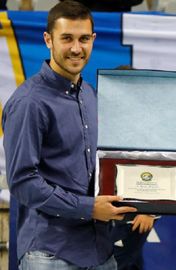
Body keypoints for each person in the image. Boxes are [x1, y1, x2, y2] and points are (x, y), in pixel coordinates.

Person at [2, 1, 139, 269]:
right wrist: (87, 208)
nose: (76, 48)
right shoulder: (29, 102)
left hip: (100, 252)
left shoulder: (90, 94)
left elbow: (114, 154)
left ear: (93, 40)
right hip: (50, 255)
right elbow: (22, 182)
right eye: (67, 38)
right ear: (48, 40)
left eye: (84, 39)